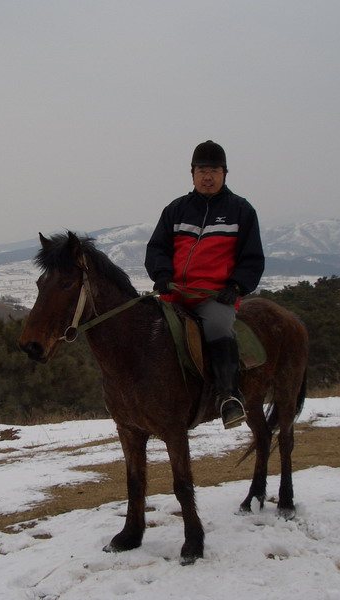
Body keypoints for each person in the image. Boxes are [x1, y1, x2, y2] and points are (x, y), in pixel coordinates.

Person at [145, 140, 265, 428]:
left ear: (225, 173)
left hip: (214, 297)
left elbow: (252, 257)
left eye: (213, 170)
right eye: (201, 171)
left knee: (217, 327)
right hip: (175, 295)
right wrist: (161, 275)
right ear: (192, 174)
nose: (207, 177)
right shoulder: (176, 209)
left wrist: (236, 286)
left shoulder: (241, 210)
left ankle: (228, 396)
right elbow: (157, 247)